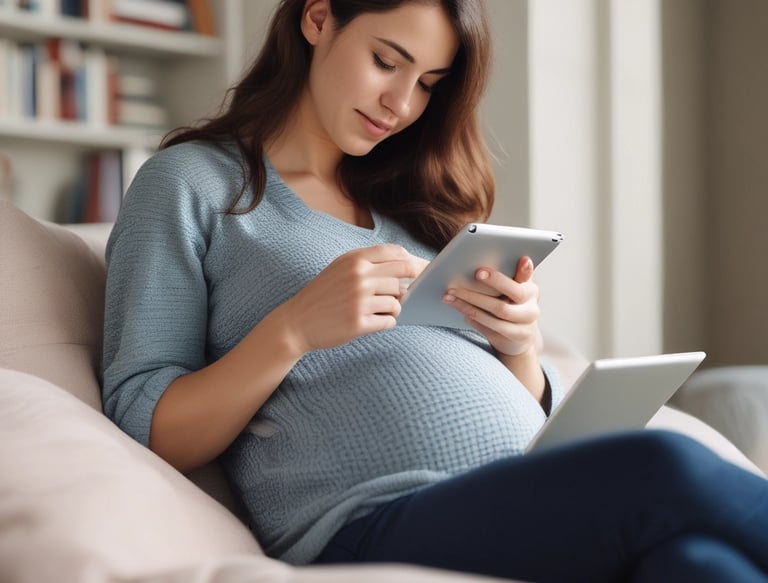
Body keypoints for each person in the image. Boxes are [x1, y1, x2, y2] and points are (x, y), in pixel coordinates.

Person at [102, 1, 768, 581]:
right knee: (664, 465)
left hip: (525, 499)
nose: (402, 104)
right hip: (371, 525)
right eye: (387, 61)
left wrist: (519, 350)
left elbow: (522, 413)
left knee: (699, 563)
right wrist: (295, 328)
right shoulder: (193, 184)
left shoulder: (414, 212)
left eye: (427, 83)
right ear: (317, 17)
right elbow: (143, 417)